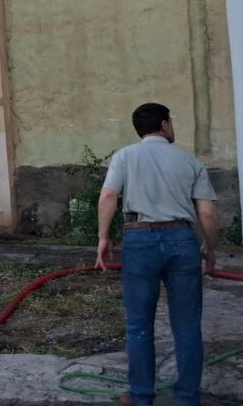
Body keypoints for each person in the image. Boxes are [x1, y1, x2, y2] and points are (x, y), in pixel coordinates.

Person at [95, 103, 220, 406]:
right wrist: (209, 248)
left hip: (138, 240)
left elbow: (109, 195)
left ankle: (140, 396)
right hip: (181, 241)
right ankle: (187, 399)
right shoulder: (189, 162)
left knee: (139, 325)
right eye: (171, 122)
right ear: (164, 125)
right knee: (187, 327)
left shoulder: (124, 156)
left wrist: (103, 237)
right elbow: (206, 212)